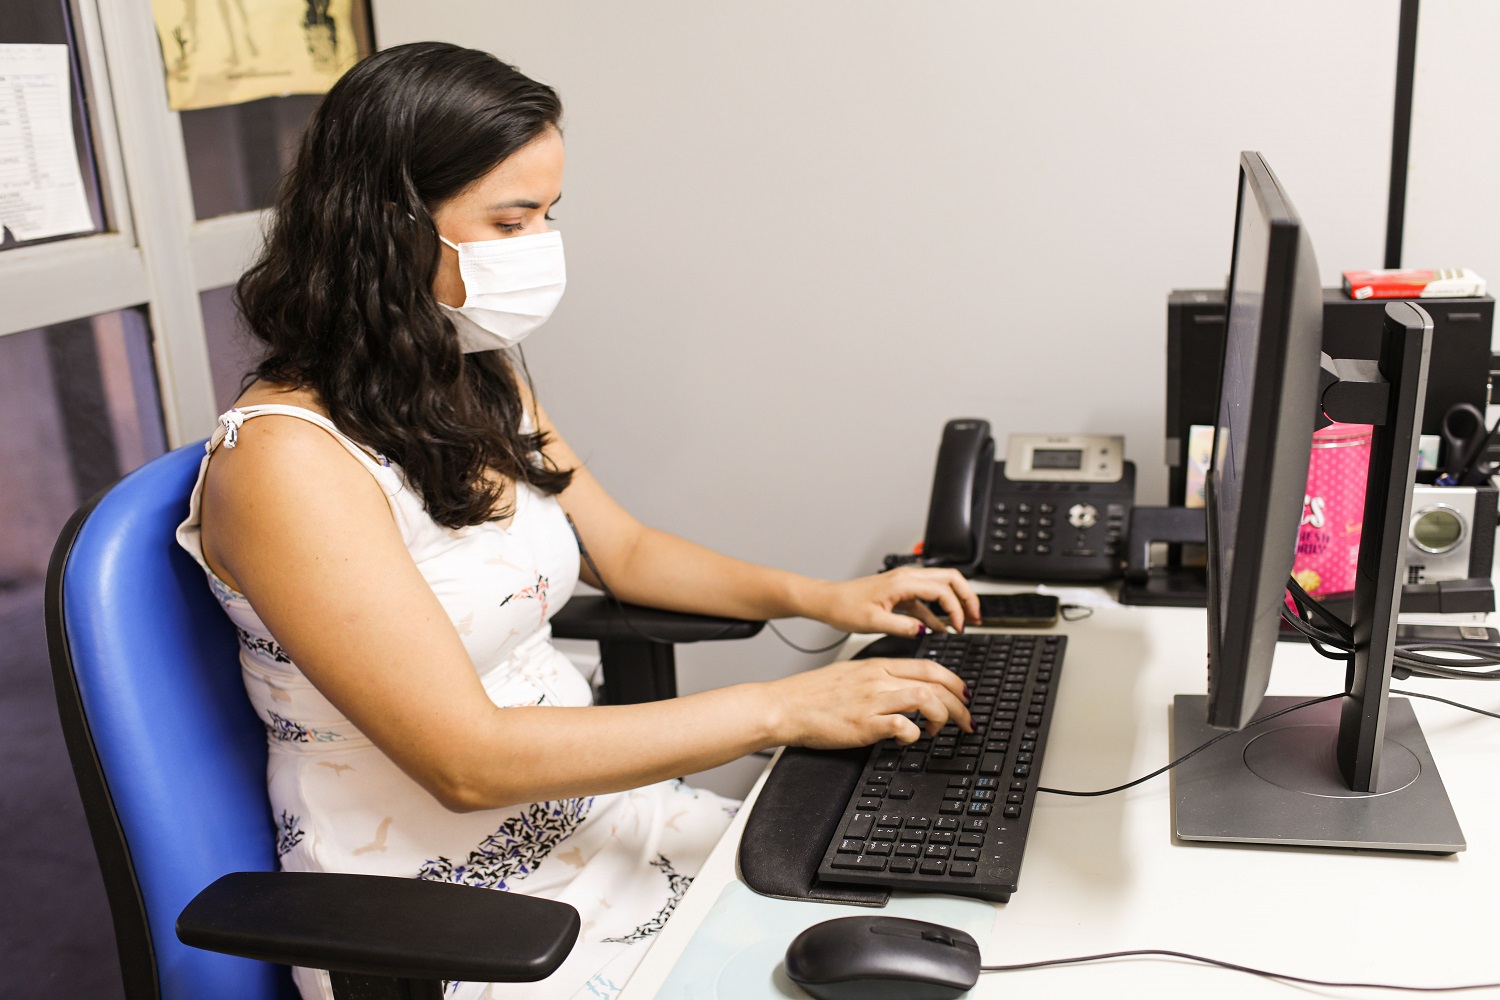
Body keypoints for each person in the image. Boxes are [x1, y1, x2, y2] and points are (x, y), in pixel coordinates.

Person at [175, 41, 978, 1000]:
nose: (538, 246)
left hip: (604, 818)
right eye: (509, 220)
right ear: (385, 229)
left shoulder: (472, 372)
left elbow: (624, 550)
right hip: (447, 917)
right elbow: (465, 761)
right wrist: (782, 707)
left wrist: (829, 597)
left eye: (548, 216)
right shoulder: (285, 462)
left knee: (929, 918)